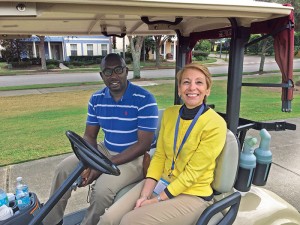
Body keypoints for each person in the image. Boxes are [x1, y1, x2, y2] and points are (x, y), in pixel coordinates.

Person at [97, 63, 227, 225]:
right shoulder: (170, 114)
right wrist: (145, 195)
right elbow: (159, 156)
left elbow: (192, 174)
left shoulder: (215, 124)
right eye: (186, 82)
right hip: (163, 182)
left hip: (193, 194)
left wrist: (156, 200)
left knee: (130, 221)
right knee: (108, 219)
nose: (192, 87)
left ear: (207, 90)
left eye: (199, 82)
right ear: (179, 89)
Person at [43, 53, 159, 225]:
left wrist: (104, 165)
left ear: (126, 71)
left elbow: (144, 144)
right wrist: (90, 162)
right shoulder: (96, 99)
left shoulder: (144, 99)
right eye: (107, 71)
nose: (113, 76)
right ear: (101, 75)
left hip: (134, 157)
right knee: (63, 169)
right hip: (105, 149)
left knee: (102, 191)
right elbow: (89, 136)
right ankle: (51, 221)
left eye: (118, 70)